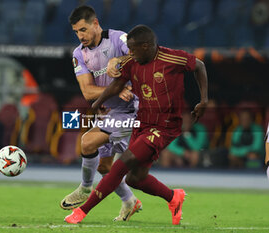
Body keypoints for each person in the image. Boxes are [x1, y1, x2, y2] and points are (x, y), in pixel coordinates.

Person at [65, 25, 208, 225]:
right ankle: (174, 197)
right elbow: (116, 85)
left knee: (119, 166)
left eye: (133, 49)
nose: (129, 53)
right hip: (142, 123)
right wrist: (97, 103)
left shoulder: (172, 58)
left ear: (147, 46)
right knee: (135, 179)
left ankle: (81, 212)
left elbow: (199, 65)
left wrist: (204, 100)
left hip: (164, 127)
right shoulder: (133, 62)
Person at [60, 5, 142, 221]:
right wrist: (115, 90)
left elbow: (141, 56)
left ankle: (85, 188)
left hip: (130, 110)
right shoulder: (79, 53)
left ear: (95, 23)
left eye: (84, 29)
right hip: (107, 111)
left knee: (87, 142)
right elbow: (87, 91)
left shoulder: (118, 39)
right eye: (76, 32)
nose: (80, 36)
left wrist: (119, 60)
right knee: (105, 167)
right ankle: (130, 201)